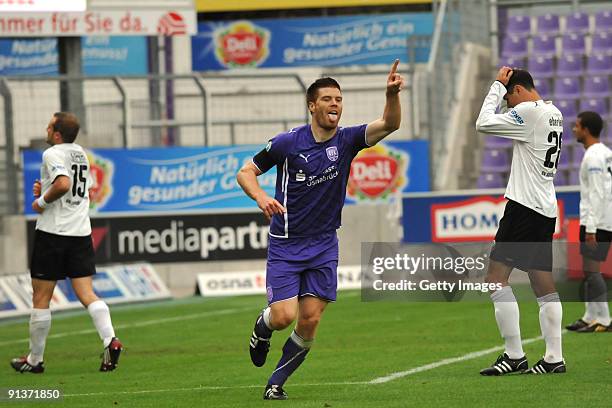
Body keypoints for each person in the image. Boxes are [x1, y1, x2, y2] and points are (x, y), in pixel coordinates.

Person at [236, 60, 404, 399]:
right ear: (312, 105)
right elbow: (245, 172)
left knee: (309, 321)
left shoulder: (347, 140)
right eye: (327, 99)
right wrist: (260, 197)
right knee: (284, 316)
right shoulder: (287, 143)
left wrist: (391, 95)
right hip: (286, 244)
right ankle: (263, 326)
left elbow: (389, 123)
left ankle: (276, 383)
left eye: (339, 99)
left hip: (324, 245)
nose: (335, 105)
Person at [10, 112, 122, 374]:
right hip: (80, 233)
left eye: (49, 126)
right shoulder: (79, 153)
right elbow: (83, 187)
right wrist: (47, 187)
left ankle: (35, 360)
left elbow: (63, 183)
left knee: (41, 298)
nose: (46, 129)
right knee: (86, 293)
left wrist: (41, 201)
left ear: (57, 134)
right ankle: (110, 339)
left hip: (53, 233)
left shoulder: (52, 154)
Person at [475, 67, 566, 375]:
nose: (509, 105)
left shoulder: (527, 111)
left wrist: (496, 87)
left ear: (516, 91)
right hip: (545, 207)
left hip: (524, 207)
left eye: (509, 98)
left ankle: (514, 355)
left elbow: (483, 123)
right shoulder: (553, 112)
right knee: (542, 282)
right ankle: (554, 358)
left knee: (495, 278)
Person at [566, 111, 612, 333]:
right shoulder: (605, 153)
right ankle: (589, 316)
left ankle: (603, 319)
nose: (574, 129)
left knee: (592, 270)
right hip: (603, 217)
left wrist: (591, 228)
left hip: (597, 220)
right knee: (587, 269)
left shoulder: (593, 156)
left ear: (585, 129)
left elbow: (596, 193)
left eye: (576, 126)